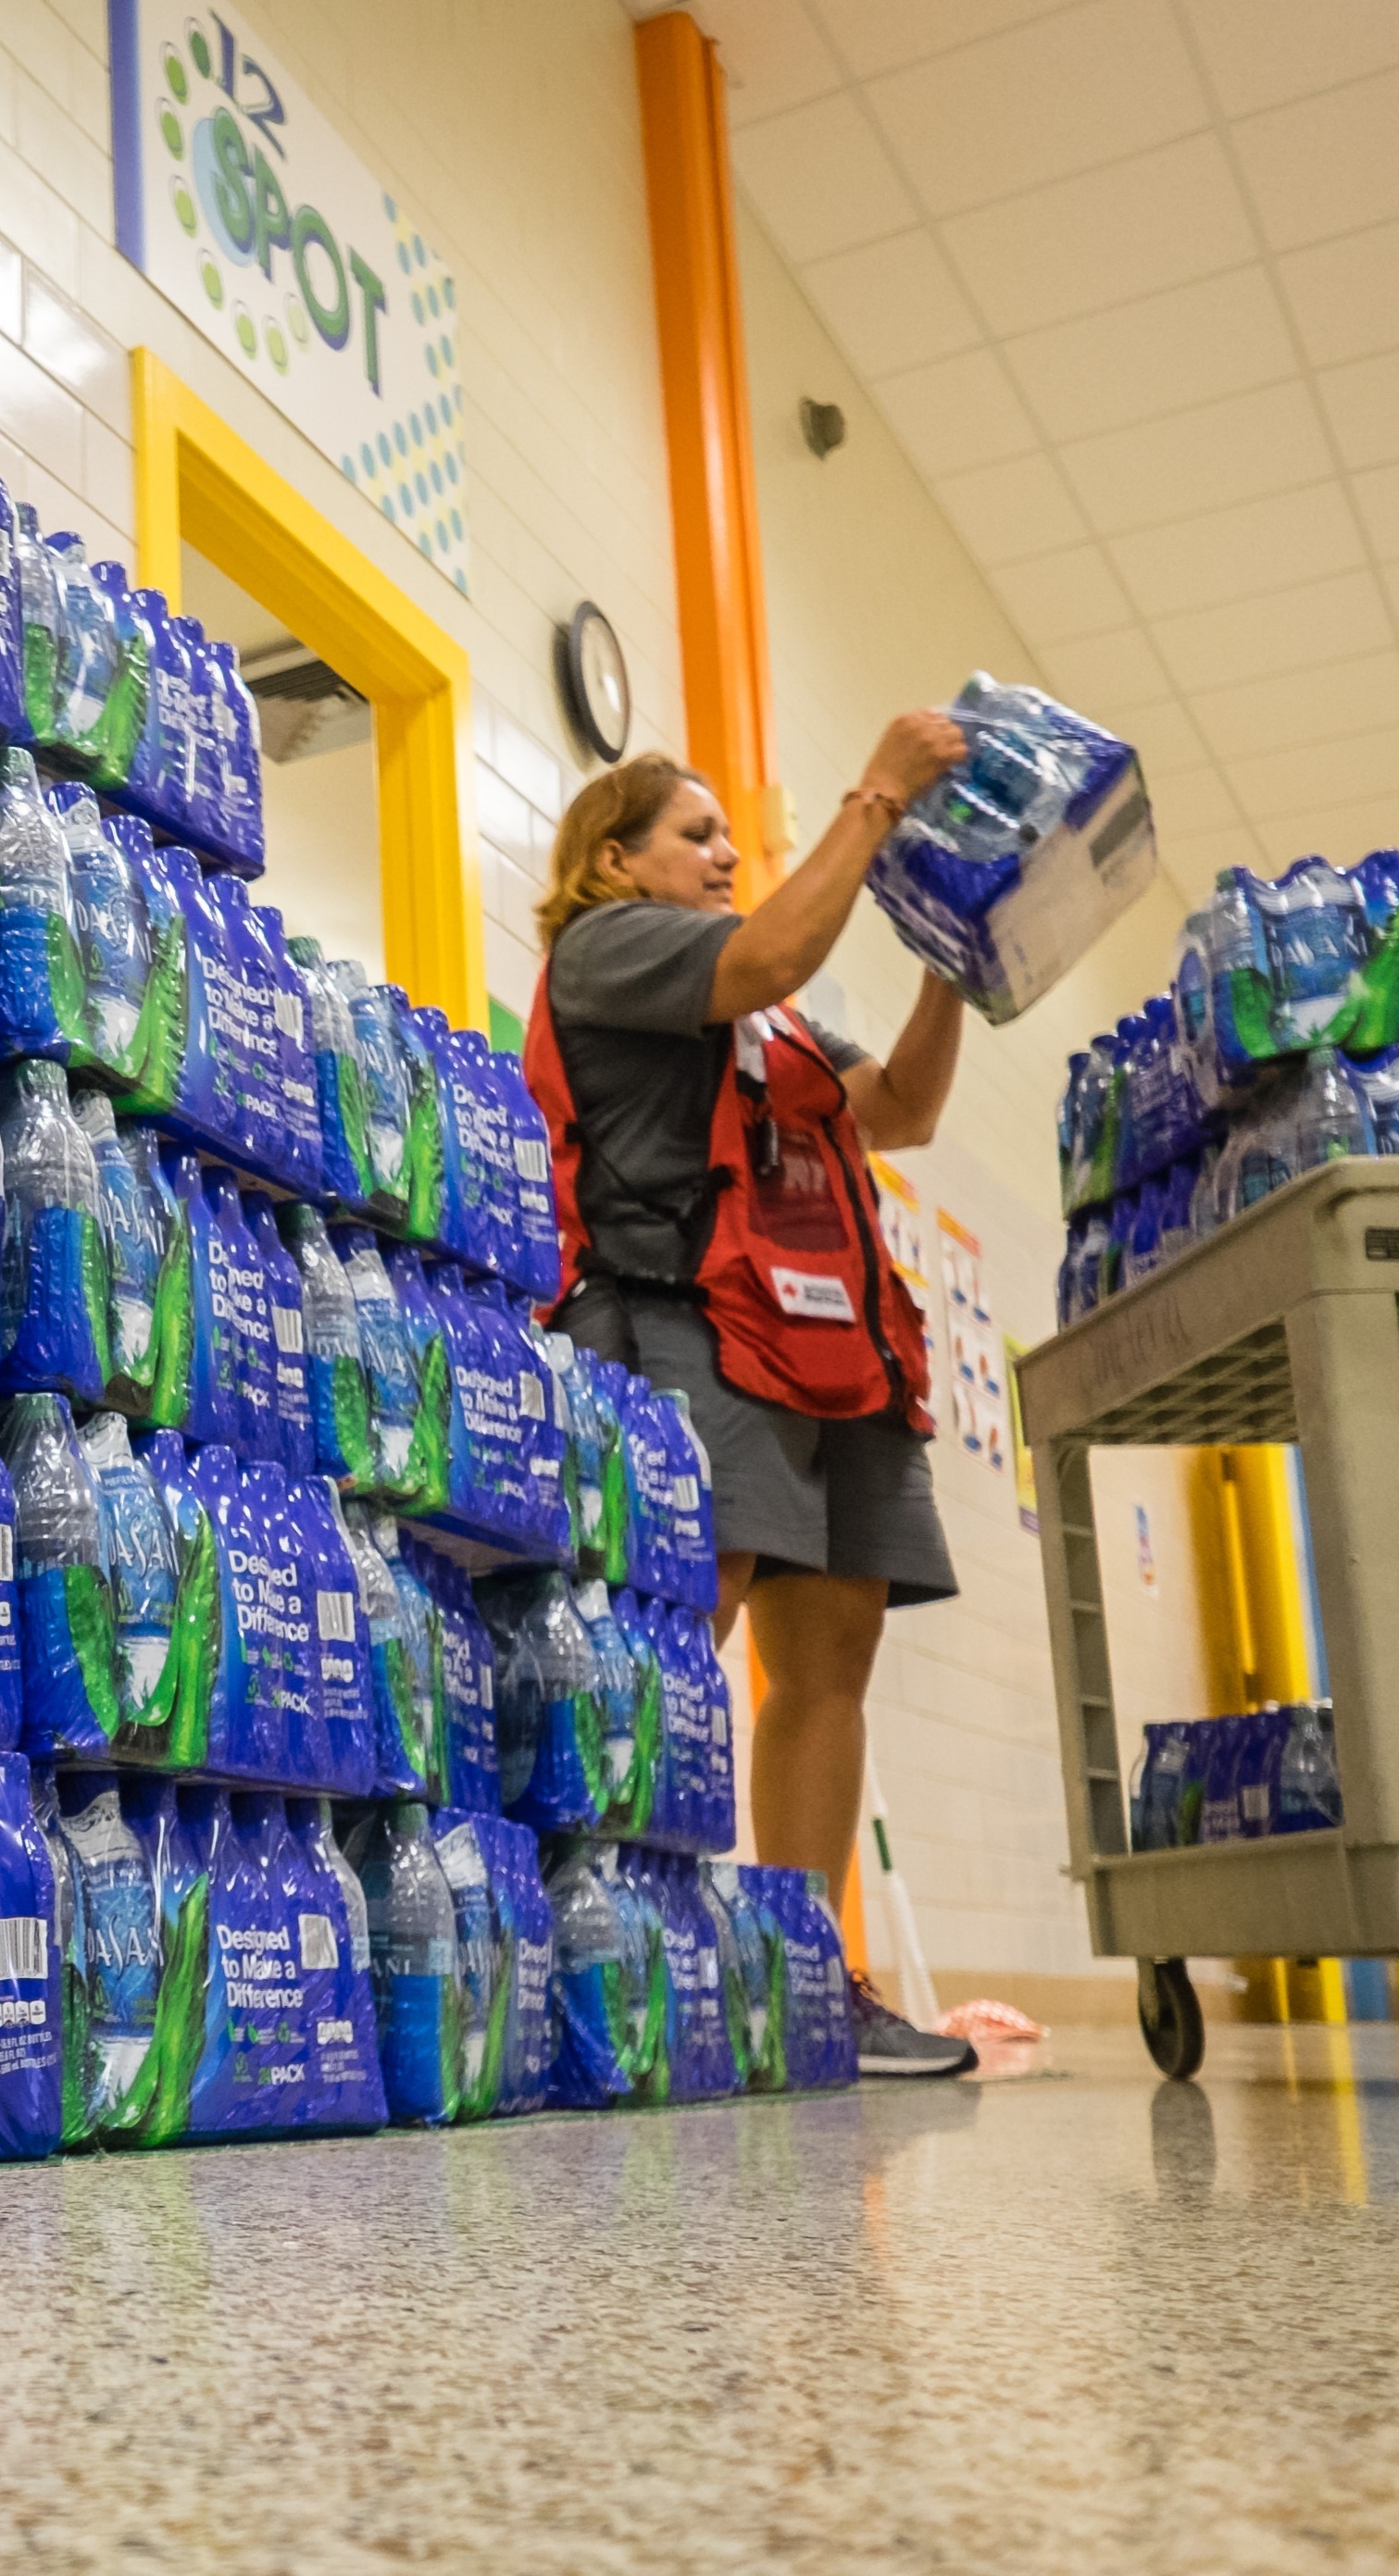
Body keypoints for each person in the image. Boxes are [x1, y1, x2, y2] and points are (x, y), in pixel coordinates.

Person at [522, 721, 979, 2079]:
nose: (727, 855)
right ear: (616, 860)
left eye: (730, 838)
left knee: (829, 1660)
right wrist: (880, 793)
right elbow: (774, 946)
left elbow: (895, 1108)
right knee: (684, 1630)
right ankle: (609, 1956)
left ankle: (809, 1983)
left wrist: (950, 970)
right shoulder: (610, 947)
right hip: (680, 1323)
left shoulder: (764, 1014)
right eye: (697, 835)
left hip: (826, 1349)